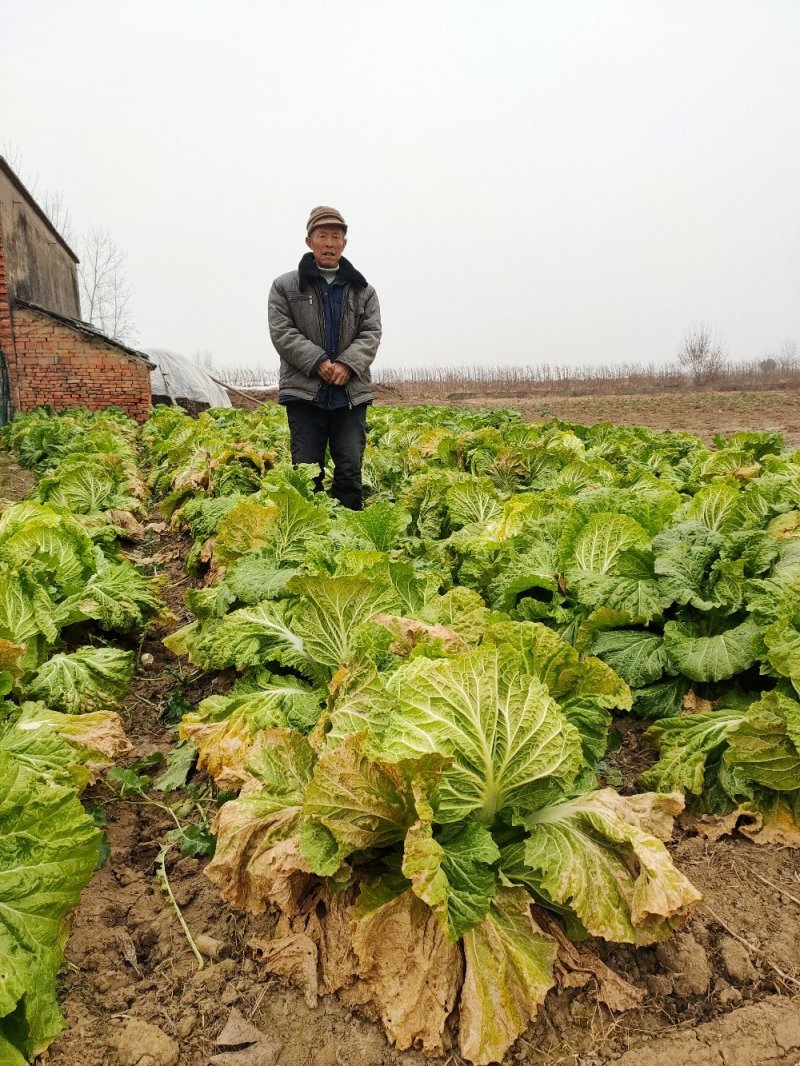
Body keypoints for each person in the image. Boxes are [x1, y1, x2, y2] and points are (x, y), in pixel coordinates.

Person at [268, 206, 381, 510]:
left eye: (336, 237)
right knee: (307, 472)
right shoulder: (285, 286)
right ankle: (310, 539)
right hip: (305, 392)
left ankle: (348, 541)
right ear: (309, 241)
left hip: (350, 394)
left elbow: (371, 333)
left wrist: (347, 364)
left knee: (349, 471)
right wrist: (318, 361)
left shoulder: (363, 290)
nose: (329, 243)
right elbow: (282, 332)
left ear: (344, 243)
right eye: (322, 236)